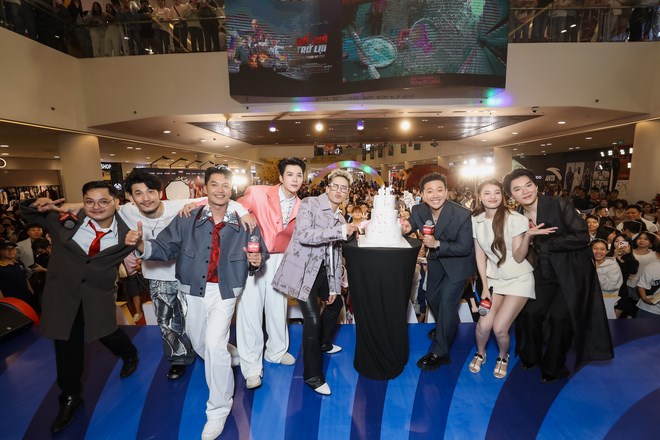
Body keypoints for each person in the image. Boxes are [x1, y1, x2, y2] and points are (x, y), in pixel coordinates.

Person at [125, 166, 265, 440]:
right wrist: (140, 245)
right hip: (192, 289)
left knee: (212, 344)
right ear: (206, 188)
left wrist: (257, 261)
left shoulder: (245, 221)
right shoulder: (188, 216)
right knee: (200, 342)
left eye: (225, 185)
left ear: (231, 189)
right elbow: (163, 247)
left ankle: (218, 409)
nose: (220, 190)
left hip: (226, 290)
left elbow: (260, 253)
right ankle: (229, 354)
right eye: (215, 185)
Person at [20, 181, 139, 433]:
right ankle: (70, 398)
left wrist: (138, 245)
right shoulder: (64, 220)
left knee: (107, 333)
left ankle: (129, 353)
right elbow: (28, 213)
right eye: (90, 201)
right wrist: (37, 204)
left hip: (98, 296)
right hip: (63, 298)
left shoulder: (128, 233)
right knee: (67, 348)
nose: (97, 207)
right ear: (83, 202)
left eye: (104, 201)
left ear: (116, 202)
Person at [120, 168, 251, 380]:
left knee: (207, 327)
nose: (146, 198)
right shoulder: (126, 211)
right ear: (131, 198)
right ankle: (180, 359)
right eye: (138, 193)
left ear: (160, 192)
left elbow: (221, 196)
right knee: (168, 321)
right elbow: (96, 207)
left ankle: (219, 356)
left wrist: (244, 213)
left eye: (151, 191)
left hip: (191, 273)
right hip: (158, 273)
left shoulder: (180, 206)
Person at [502, 168, 613, 384]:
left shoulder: (559, 204)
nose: (525, 191)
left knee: (560, 318)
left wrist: (544, 242)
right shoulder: (517, 216)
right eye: (517, 189)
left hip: (572, 271)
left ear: (536, 185)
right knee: (529, 312)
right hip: (543, 271)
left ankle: (554, 366)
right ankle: (530, 356)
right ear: (511, 195)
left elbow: (582, 237)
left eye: (528, 185)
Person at [272, 169, 358, 395]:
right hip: (303, 272)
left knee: (336, 304)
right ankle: (312, 376)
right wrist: (339, 231)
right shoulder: (310, 204)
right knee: (312, 321)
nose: (339, 191)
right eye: (335, 186)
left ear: (348, 193)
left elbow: (335, 255)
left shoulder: (340, 217)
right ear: (327, 188)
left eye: (344, 188)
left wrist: (334, 286)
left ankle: (323, 343)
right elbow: (304, 235)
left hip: (323, 273)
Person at [469, 179, 556, 379]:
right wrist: (484, 286)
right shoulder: (476, 220)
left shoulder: (516, 219)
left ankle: (503, 356)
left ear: (503, 195)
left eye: (497, 192)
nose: (492, 197)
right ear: (480, 197)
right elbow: (480, 255)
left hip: (519, 278)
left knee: (500, 328)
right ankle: (480, 353)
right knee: (483, 326)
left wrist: (527, 237)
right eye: (487, 193)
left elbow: (518, 257)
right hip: (493, 279)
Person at [236, 158, 305, 389]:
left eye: (299, 175)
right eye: (290, 174)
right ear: (281, 177)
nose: (295, 179)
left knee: (278, 307)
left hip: (282, 259)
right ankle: (251, 368)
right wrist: (241, 211)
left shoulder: (301, 205)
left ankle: (276, 351)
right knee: (250, 312)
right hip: (255, 256)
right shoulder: (257, 193)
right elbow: (228, 204)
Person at [402, 173, 475, 371]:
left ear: (447, 191)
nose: (435, 195)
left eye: (439, 190)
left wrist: (437, 244)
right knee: (432, 298)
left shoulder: (462, 214)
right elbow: (411, 225)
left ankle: (440, 352)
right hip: (436, 263)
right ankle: (448, 325)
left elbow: (465, 247)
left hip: (458, 265)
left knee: (446, 302)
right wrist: (404, 227)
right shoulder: (418, 210)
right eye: (430, 191)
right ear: (422, 194)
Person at [635, 241, 660, 319]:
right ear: (658, 254)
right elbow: (641, 285)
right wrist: (645, 299)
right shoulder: (651, 267)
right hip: (650, 310)